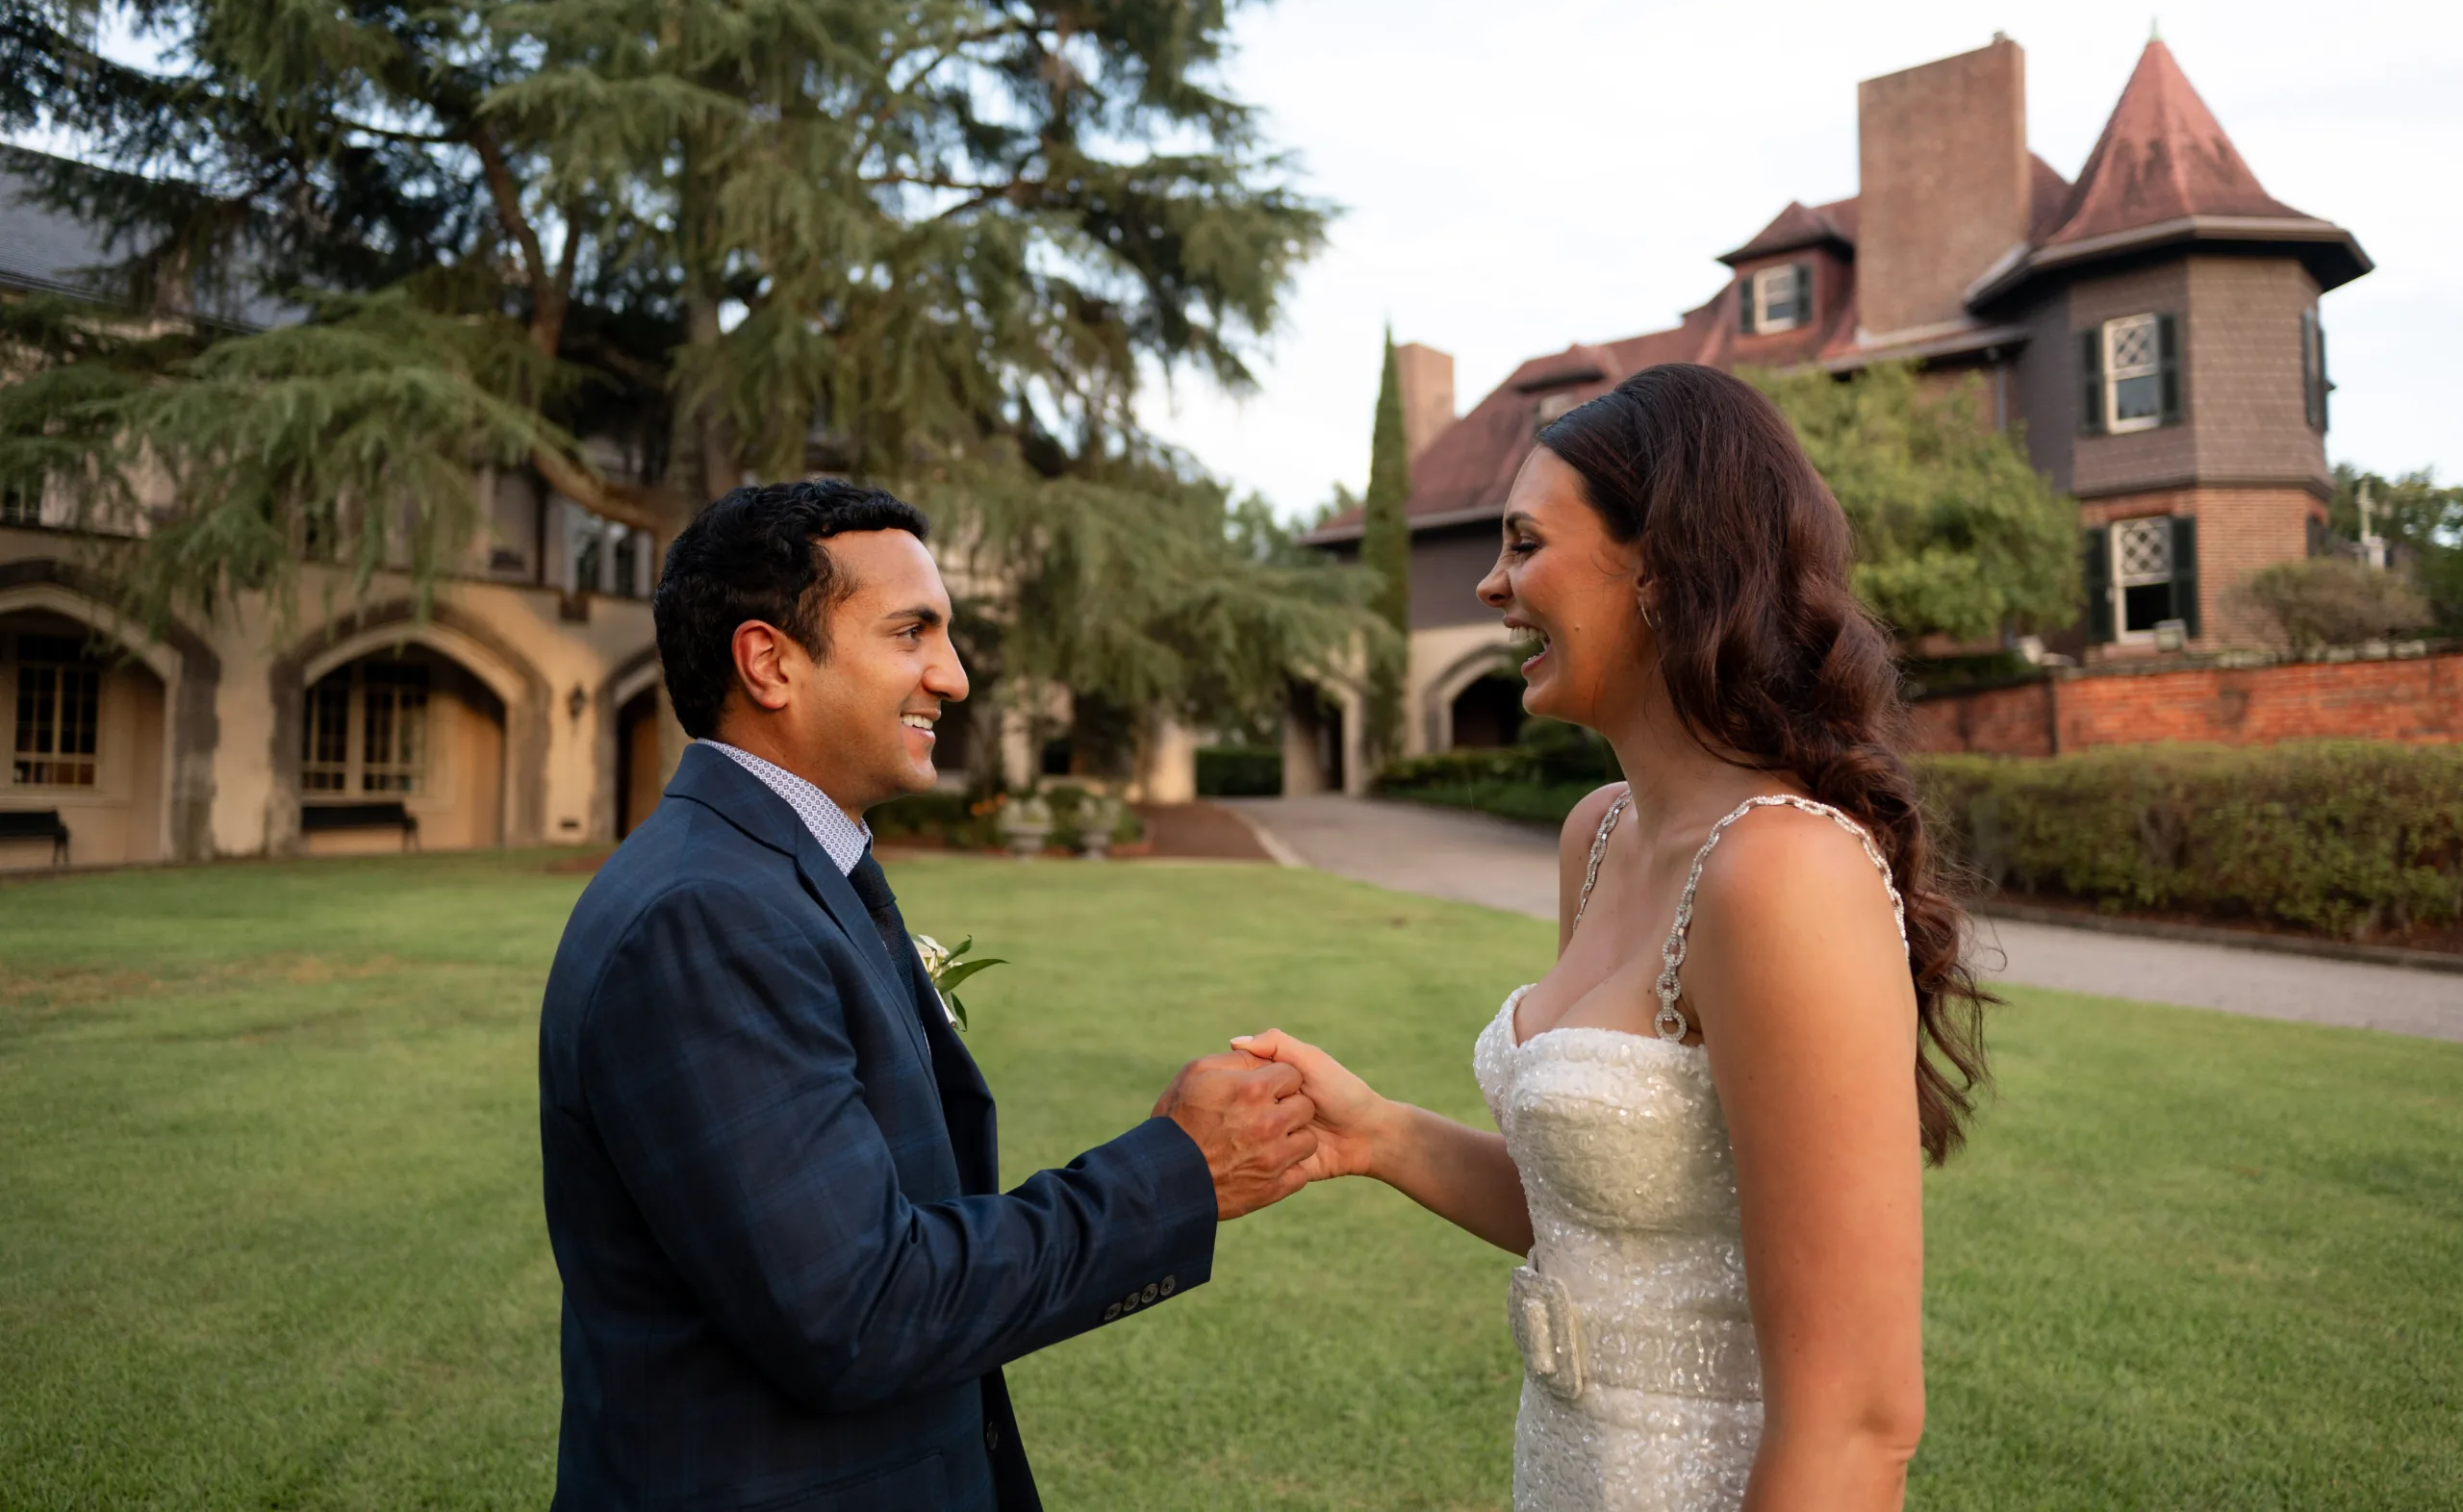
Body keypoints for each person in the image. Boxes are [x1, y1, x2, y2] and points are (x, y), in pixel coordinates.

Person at [1235, 365, 1992, 1512]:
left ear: (1660, 570)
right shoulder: (1595, 837)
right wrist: (1378, 1135)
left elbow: (1857, 1421)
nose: (1491, 584)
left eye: (1524, 544)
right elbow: (1606, 1214)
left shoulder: (1782, 873)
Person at [538, 481, 1318, 1511]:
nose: (950, 677)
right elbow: (861, 1308)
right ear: (769, 662)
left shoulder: (779, 870)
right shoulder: (705, 916)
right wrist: (1180, 1172)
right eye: (913, 631)